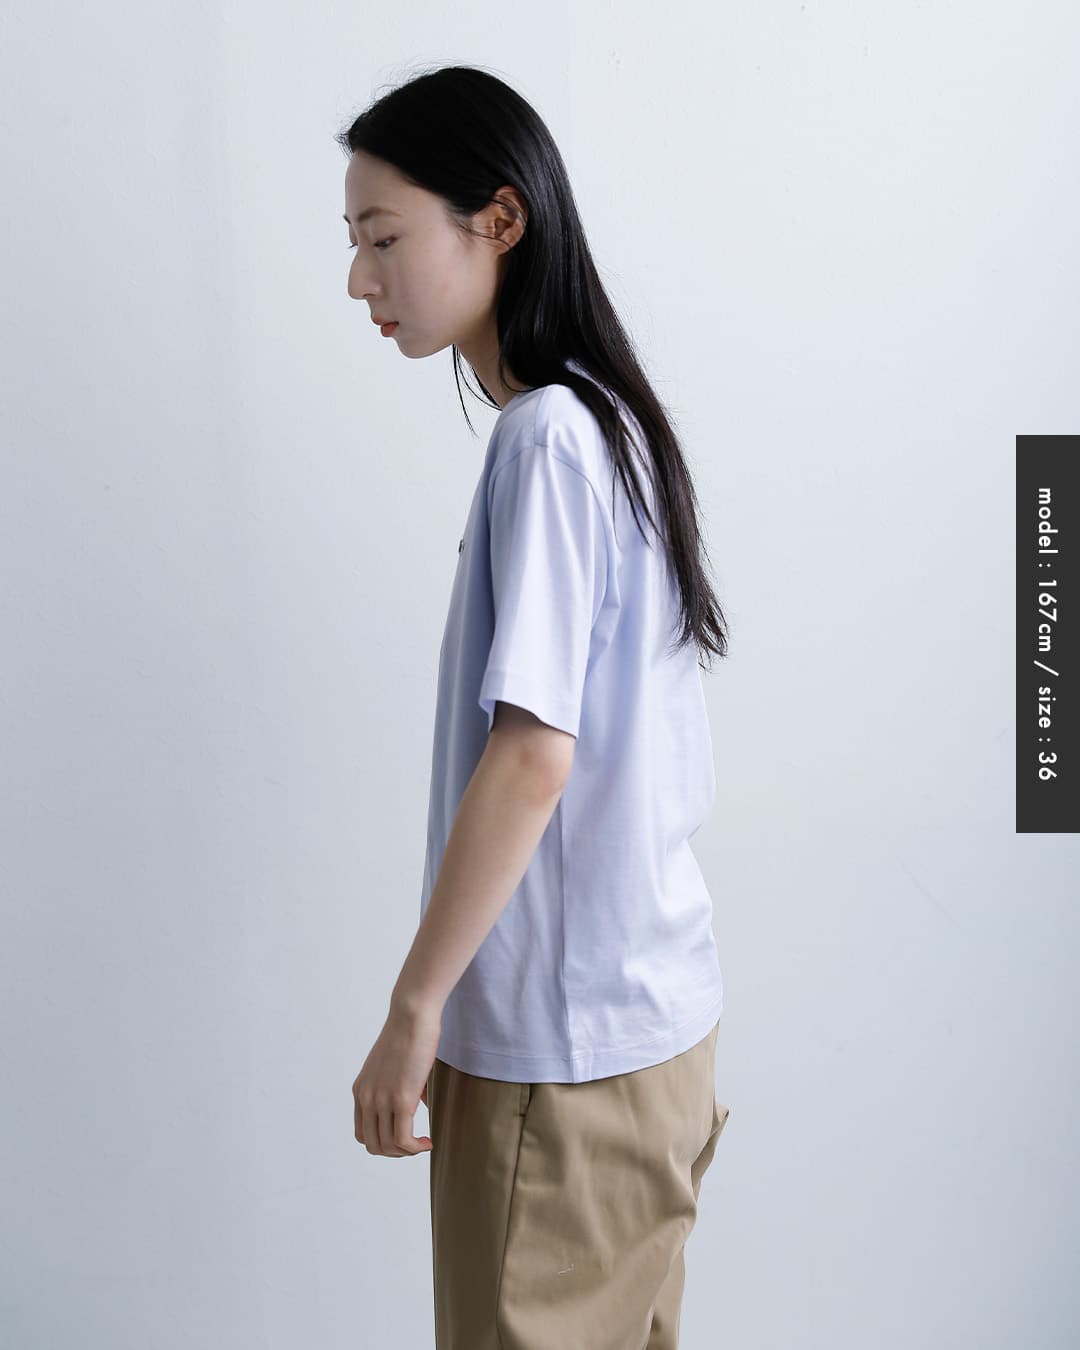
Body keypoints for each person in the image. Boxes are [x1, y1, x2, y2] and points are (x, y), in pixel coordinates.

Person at [342, 63, 732, 1350]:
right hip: (646, 1039)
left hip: (558, 1070)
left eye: (383, 237)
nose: (360, 278)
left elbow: (531, 756)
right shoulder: (608, 424)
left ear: (499, 220)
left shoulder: (549, 439)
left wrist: (415, 1012)